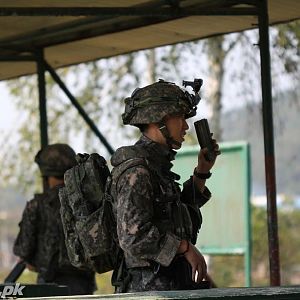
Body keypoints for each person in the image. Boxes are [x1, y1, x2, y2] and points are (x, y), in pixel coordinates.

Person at [110, 79, 220, 292]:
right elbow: (133, 237)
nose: (186, 126)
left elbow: (177, 218)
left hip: (167, 287)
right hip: (148, 291)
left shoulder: (156, 168)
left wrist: (202, 172)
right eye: (179, 118)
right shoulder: (137, 171)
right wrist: (184, 247)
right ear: (157, 120)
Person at [13, 143, 96, 295]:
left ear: (46, 174)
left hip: (48, 287)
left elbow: (23, 251)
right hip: (82, 286)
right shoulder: (87, 202)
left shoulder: (37, 205)